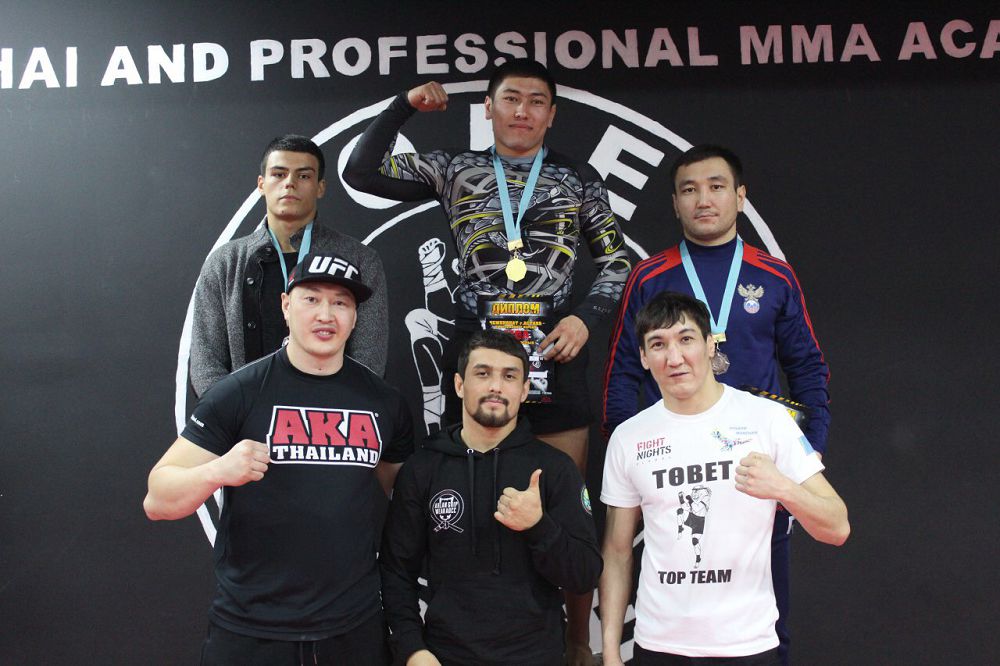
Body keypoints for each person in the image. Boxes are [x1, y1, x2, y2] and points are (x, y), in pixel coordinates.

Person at [345, 60, 630, 660]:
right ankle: (466, 633)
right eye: (511, 98)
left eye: (536, 101)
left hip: (556, 350)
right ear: (489, 109)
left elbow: (615, 262)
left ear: (552, 114)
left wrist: (585, 318)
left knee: (563, 504)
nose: (522, 111)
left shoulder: (578, 178)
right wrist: (403, 106)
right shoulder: (456, 168)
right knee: (471, 498)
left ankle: (575, 640)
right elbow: (360, 171)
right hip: (480, 357)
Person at [601, 144, 830, 663]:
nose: (703, 199)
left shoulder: (774, 276)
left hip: (753, 472)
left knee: (768, 620)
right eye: (689, 190)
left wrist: (803, 462)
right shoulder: (649, 276)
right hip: (673, 468)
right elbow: (621, 374)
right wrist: (629, 456)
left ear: (740, 196)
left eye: (716, 186)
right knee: (673, 595)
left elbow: (809, 370)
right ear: (675, 203)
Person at [144, 252, 414, 665]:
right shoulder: (240, 391)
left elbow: (408, 498)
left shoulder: (384, 402)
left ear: (355, 316)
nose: (326, 314)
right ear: (286, 305)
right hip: (252, 629)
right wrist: (218, 471)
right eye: (312, 299)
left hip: (352, 629)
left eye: (341, 302)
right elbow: (158, 500)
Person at [599, 291, 848, 665]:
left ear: (710, 345)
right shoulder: (629, 437)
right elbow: (617, 552)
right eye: (658, 344)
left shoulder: (766, 419)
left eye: (686, 339)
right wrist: (610, 652)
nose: (674, 358)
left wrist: (783, 488)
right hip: (659, 645)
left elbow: (837, 527)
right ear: (644, 358)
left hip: (745, 645)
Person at [380, 329, 603, 666]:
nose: (496, 386)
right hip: (445, 657)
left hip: (537, 657)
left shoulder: (554, 469)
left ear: (524, 390)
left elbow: (585, 575)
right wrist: (412, 649)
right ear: (459, 385)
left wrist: (539, 526)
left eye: (509, 376)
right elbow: (396, 571)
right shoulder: (423, 468)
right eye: (483, 374)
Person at [190, 134, 388, 397]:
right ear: (261, 184)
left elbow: (368, 362)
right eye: (279, 174)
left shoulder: (361, 259)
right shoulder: (224, 262)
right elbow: (205, 363)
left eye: (303, 176)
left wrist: (325, 413)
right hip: (242, 417)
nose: (290, 183)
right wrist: (231, 412)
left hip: (329, 415)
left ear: (320, 187)